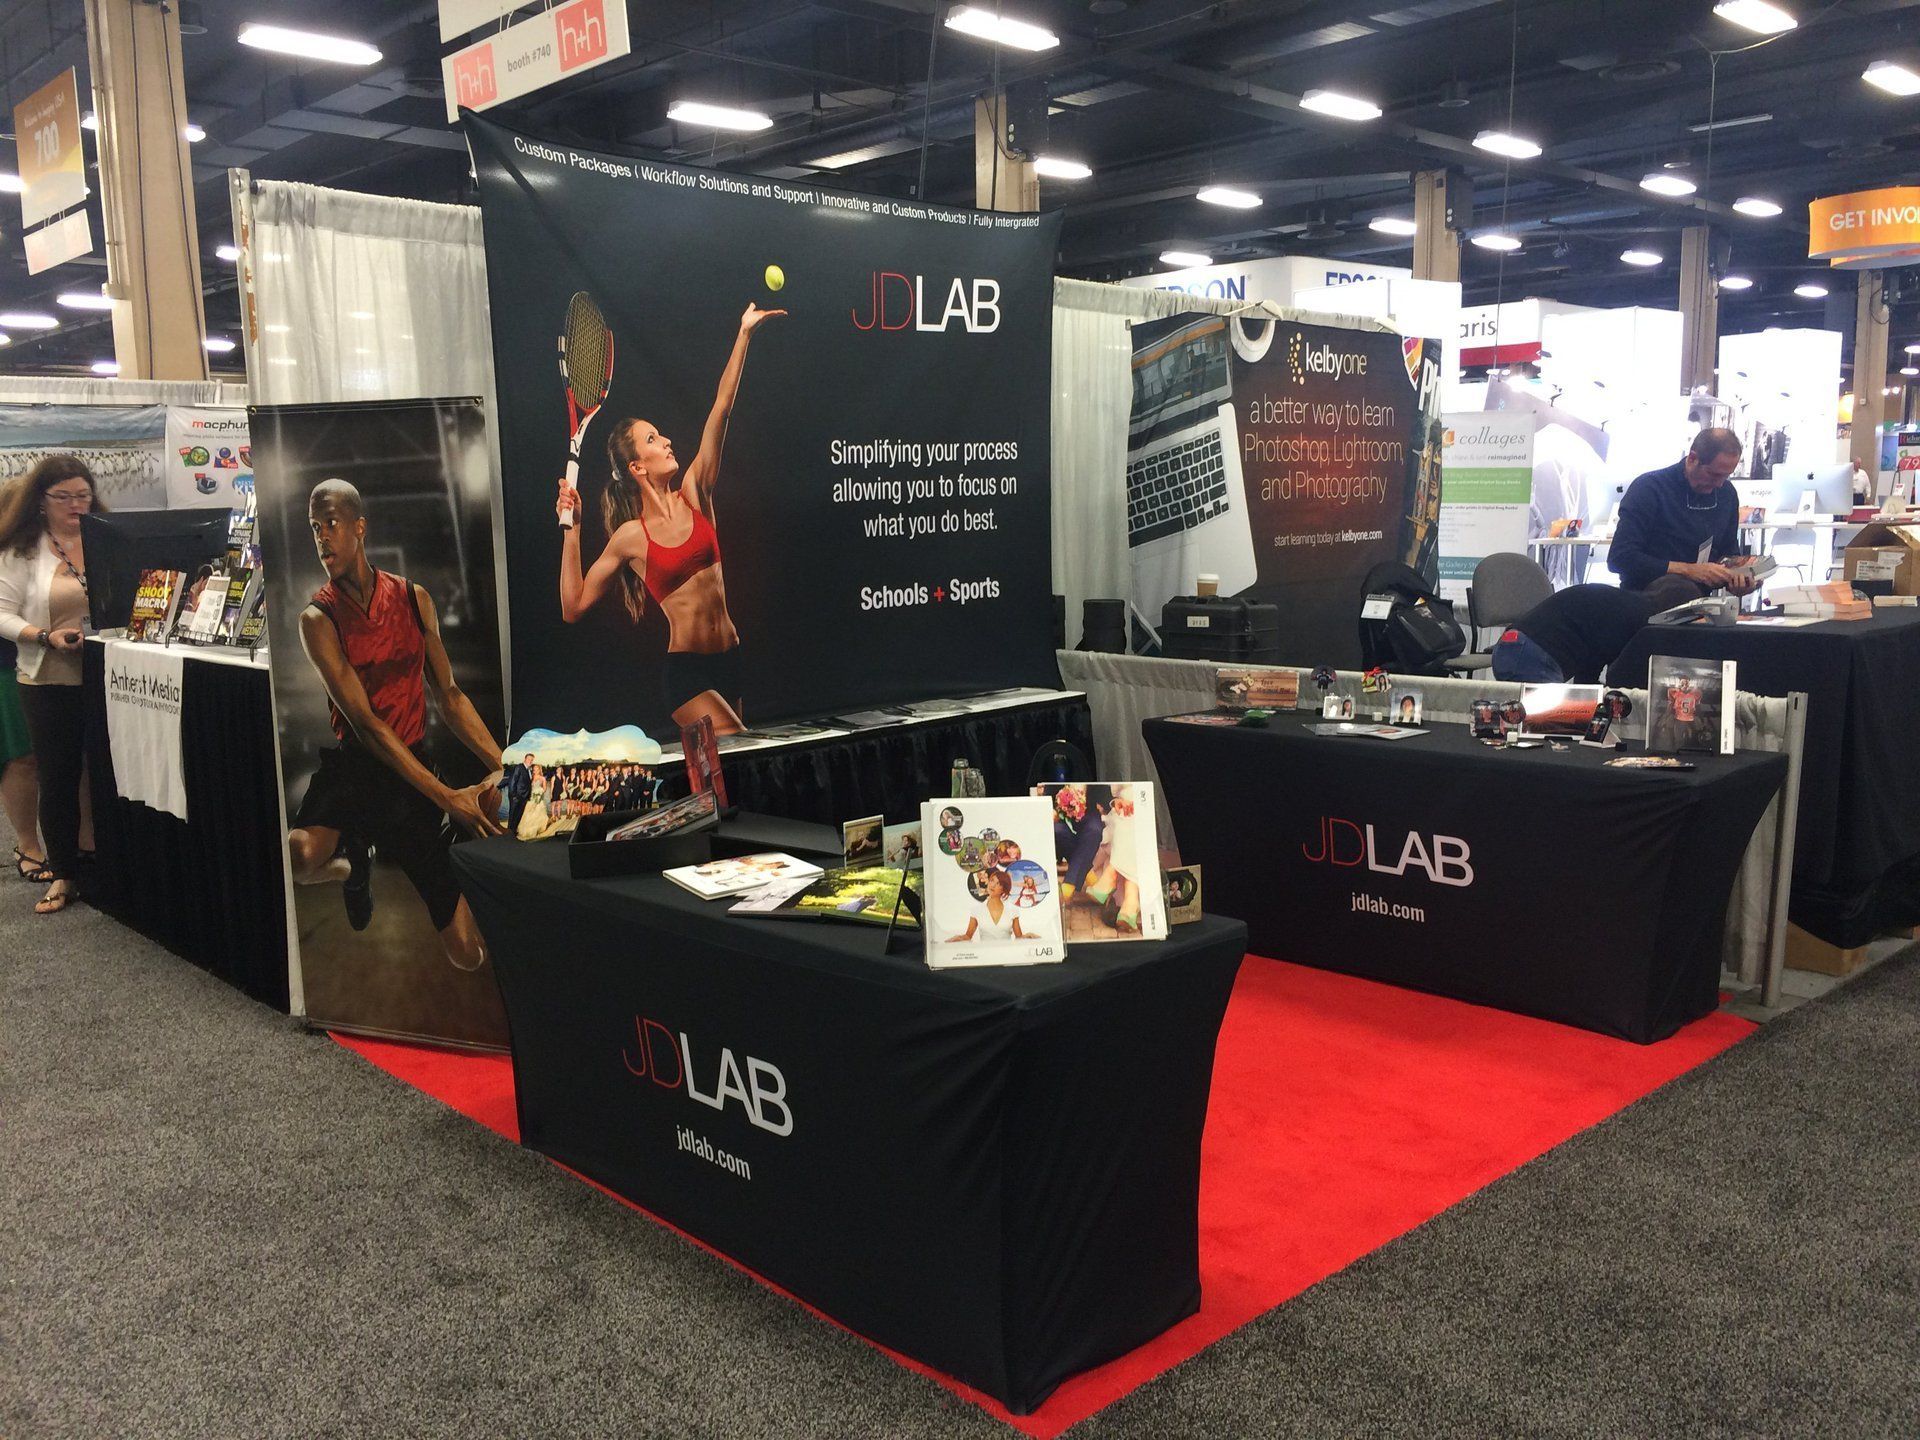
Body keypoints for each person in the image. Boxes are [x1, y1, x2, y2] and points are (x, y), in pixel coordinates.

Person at [284, 479, 505, 970]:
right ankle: (350, 868)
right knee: (297, 858)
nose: (322, 538)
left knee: (468, 957)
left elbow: (449, 695)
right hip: (357, 768)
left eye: (332, 525)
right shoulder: (317, 619)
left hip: (410, 768)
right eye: (314, 528)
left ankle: (459, 870)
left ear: (360, 528)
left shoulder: (412, 598)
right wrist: (446, 796)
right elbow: (365, 724)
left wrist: (506, 764)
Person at [555, 302, 787, 734]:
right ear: (637, 468)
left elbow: (721, 409)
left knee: (723, 791)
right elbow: (573, 607)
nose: (665, 441)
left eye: (660, 434)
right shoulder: (630, 537)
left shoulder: (696, 492)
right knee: (743, 748)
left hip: (730, 659)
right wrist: (575, 529)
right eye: (652, 438)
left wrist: (744, 336)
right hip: (687, 676)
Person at [0, 456, 104, 914]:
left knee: (99, 769)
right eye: (64, 497)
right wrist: (43, 636)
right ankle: (62, 872)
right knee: (58, 774)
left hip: (106, 673)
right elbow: (2, 613)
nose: (75, 505)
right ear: (41, 502)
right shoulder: (22, 549)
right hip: (47, 675)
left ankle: (97, 856)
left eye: (82, 494)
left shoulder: (105, 537)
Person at [1609, 429, 1758, 595]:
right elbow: (1620, 558)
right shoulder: (1649, 488)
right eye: (1713, 474)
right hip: (1645, 601)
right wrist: (1688, 570)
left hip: (1700, 606)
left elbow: (1728, 552)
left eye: (1726, 476)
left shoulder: (1727, 494)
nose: (1719, 484)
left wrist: (1738, 579)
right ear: (1693, 458)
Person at [1491, 576, 1701, 684]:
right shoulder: (1641, 623)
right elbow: (1619, 675)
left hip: (1515, 647)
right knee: (1545, 731)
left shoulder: (1625, 604)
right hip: (1533, 654)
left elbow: (1594, 655)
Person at [948, 867, 1036, 942]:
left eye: (999, 884)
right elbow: (968, 936)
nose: (993, 885)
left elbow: (1019, 937)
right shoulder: (976, 910)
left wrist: (1028, 936)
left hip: (1006, 956)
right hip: (985, 958)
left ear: (1003, 889)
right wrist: (959, 938)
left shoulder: (1012, 910)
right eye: (992, 881)